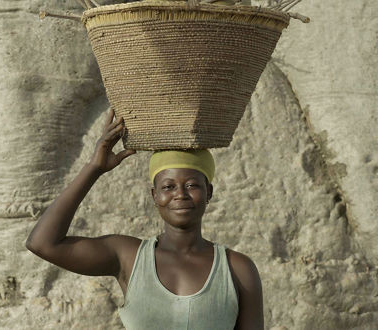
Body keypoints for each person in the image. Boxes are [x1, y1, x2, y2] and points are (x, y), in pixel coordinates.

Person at [26, 108, 264, 329]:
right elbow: (43, 243)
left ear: (209, 192)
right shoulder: (129, 257)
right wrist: (94, 167)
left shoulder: (237, 269)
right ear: (154, 195)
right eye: (168, 186)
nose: (180, 194)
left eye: (192, 185)